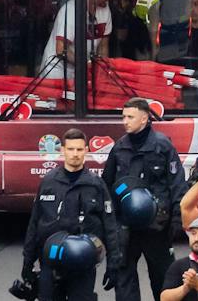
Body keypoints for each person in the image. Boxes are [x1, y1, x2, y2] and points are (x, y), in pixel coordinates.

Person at [105, 97, 189, 301]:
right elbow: (107, 186)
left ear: (144, 119)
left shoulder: (162, 146)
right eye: (123, 117)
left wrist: (176, 222)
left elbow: (177, 185)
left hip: (156, 227)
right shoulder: (119, 148)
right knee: (124, 283)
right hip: (126, 228)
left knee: (163, 280)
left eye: (130, 117)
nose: (125, 121)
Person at [23, 129, 120, 301]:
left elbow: (110, 226)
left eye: (79, 149)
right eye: (71, 149)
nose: (75, 154)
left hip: (83, 262)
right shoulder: (49, 182)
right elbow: (34, 223)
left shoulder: (96, 185)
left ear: (86, 151)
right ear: (62, 150)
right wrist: (27, 262)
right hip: (50, 261)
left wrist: (113, 264)